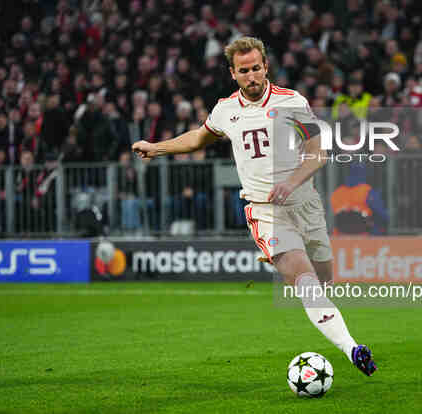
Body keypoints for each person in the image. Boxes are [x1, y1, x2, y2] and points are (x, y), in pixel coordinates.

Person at [132, 37, 376, 377]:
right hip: (265, 211)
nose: (252, 76)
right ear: (233, 73)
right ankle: (353, 349)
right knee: (304, 280)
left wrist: (291, 182)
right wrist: (156, 148)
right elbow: (198, 138)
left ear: (266, 67)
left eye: (256, 68)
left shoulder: (292, 102)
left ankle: (335, 327)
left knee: (322, 281)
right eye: (243, 71)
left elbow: (318, 153)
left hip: (304, 202)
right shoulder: (225, 110)